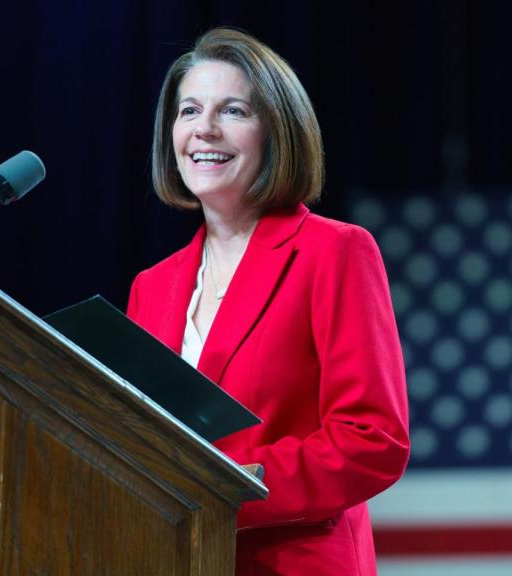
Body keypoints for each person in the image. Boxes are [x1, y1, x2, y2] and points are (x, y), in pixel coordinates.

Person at [126, 27, 410, 575]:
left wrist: (218, 483)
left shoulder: (335, 252)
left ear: (276, 133)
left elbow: (373, 440)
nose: (203, 129)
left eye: (232, 111)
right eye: (188, 111)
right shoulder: (152, 286)